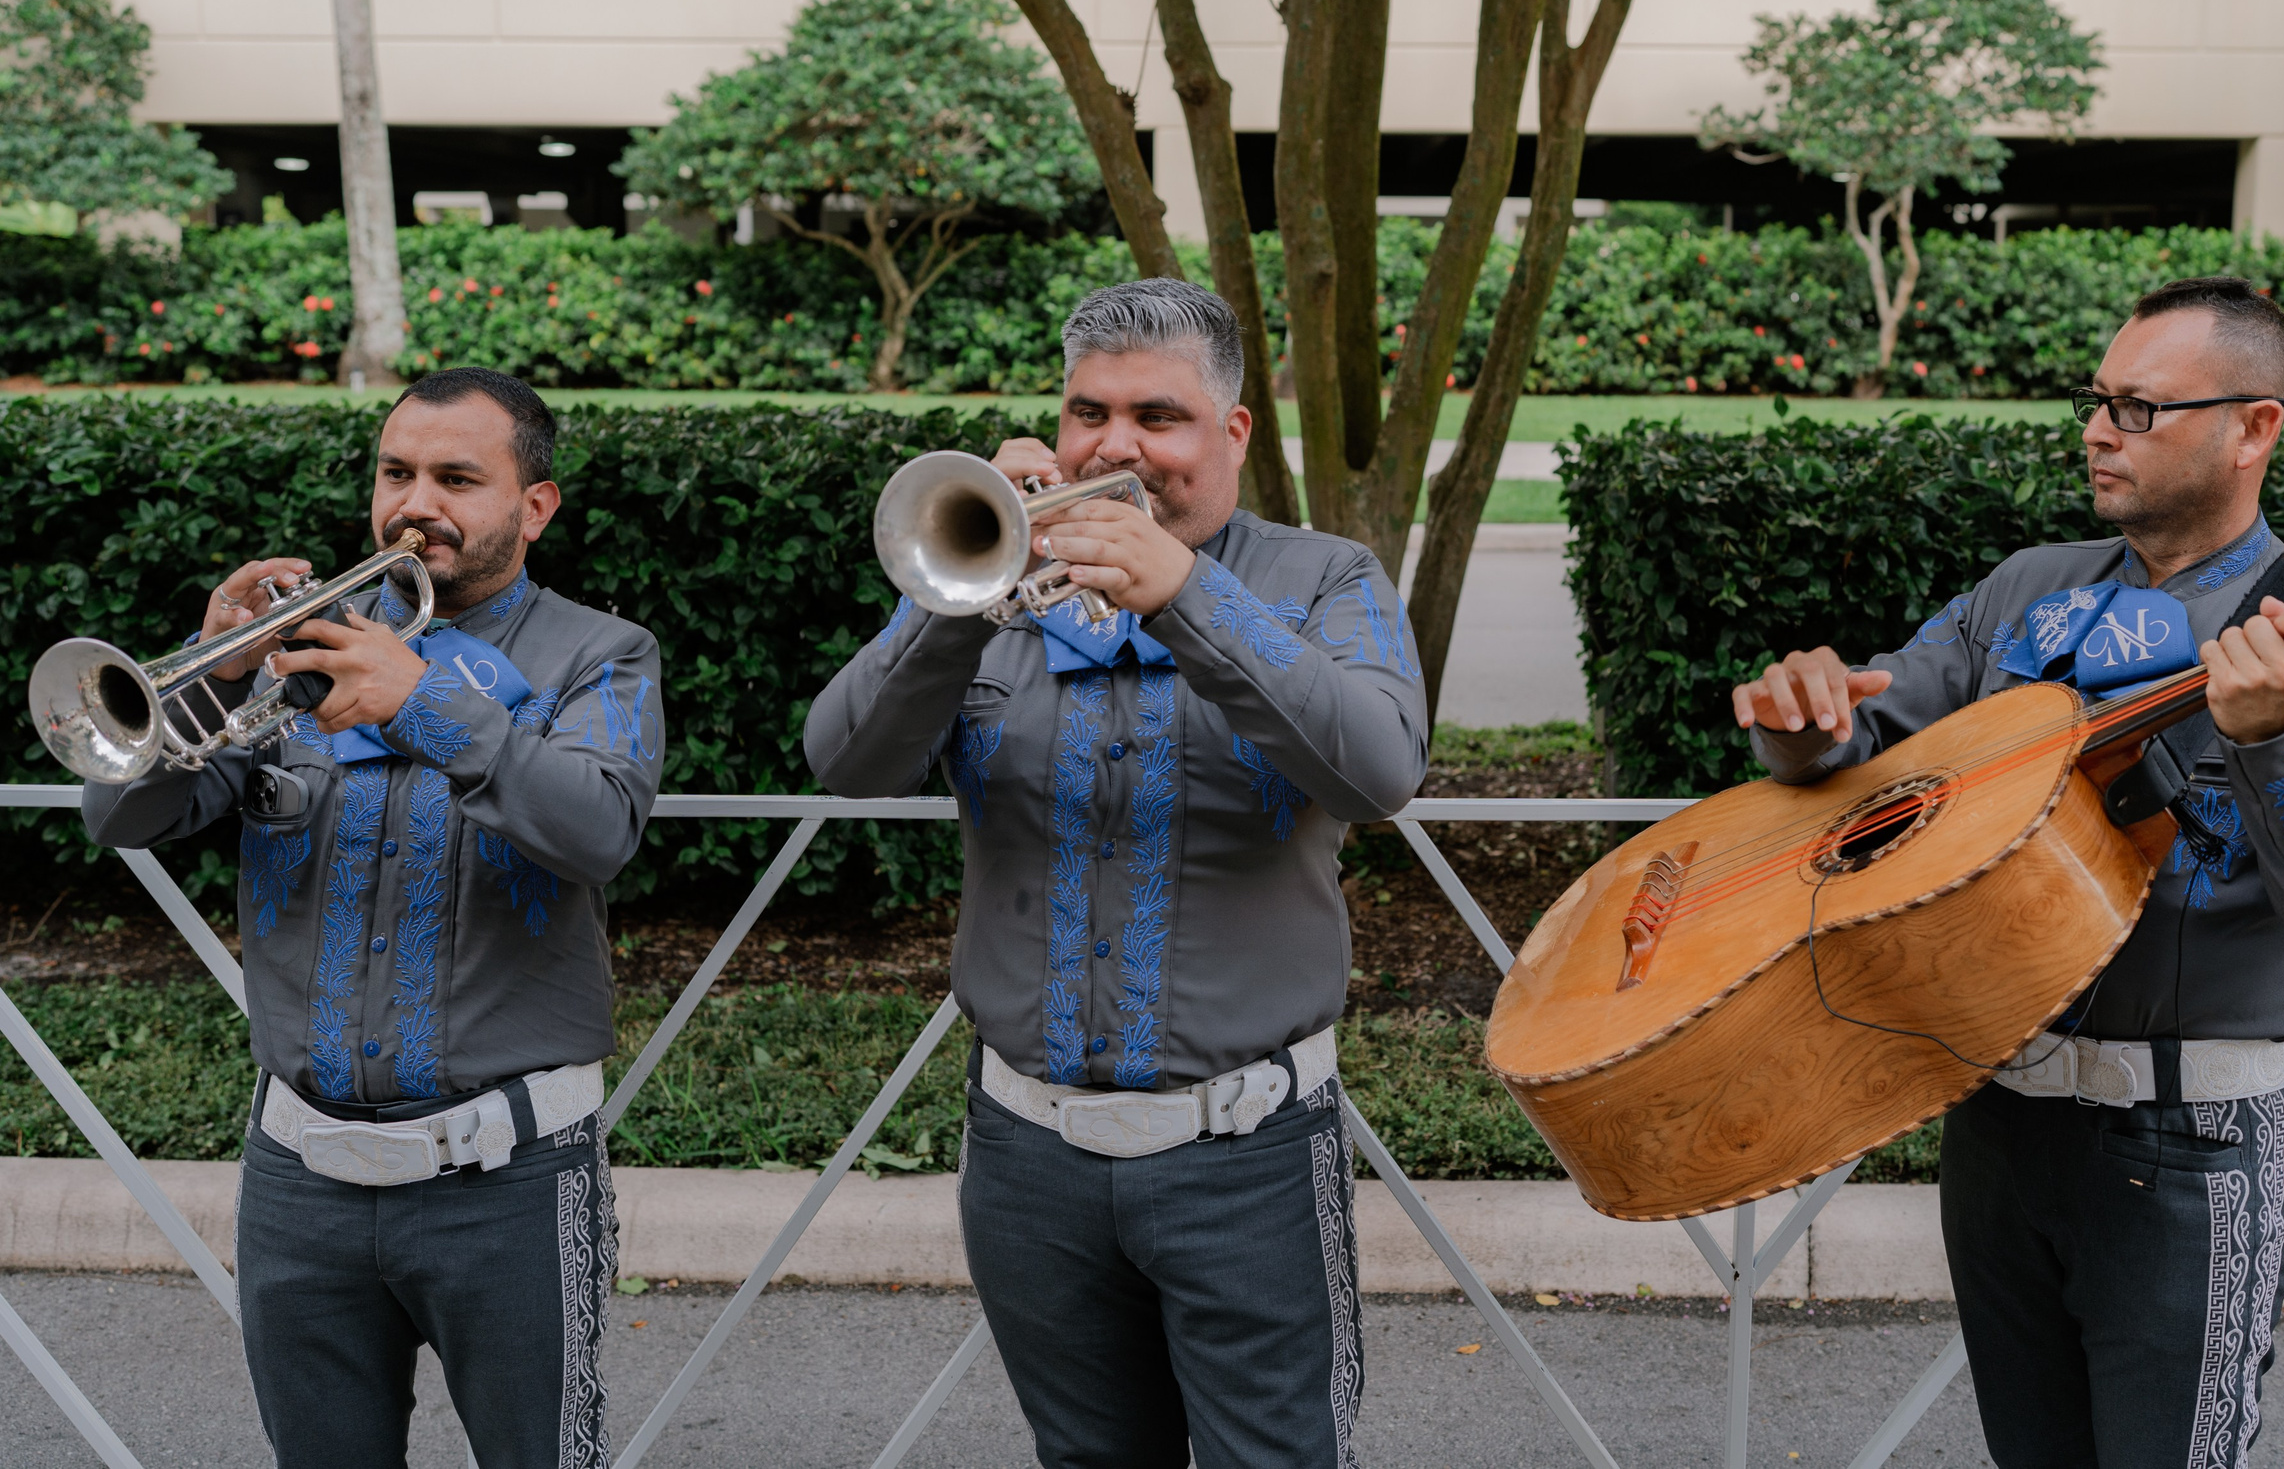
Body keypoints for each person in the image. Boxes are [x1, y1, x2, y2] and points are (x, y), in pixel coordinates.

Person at [1731, 276, 2284, 1469]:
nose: (2099, 430)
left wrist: (2281, 740)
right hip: (1998, 1135)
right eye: (2095, 401)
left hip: (2195, 1142)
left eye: (2141, 408)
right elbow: (1865, 746)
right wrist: (1799, 727)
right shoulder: (2023, 592)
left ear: (2253, 427)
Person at [806, 278, 1427, 1469]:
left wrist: (1191, 595)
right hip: (1026, 1154)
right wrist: (958, 599)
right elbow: (846, 760)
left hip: (1245, 1153)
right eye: (1089, 412)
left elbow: (1380, 769)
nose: (1116, 447)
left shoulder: (1325, 580)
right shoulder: (999, 586)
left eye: (1159, 417)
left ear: (1232, 433)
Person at [84, 368, 662, 1468]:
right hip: (298, 1180)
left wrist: (424, 702)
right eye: (396, 473)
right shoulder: (299, 646)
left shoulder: (601, 655)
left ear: (533, 507)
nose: (415, 504)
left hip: (511, 1180)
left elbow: (598, 830)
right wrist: (211, 676)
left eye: (456, 477)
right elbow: (122, 812)